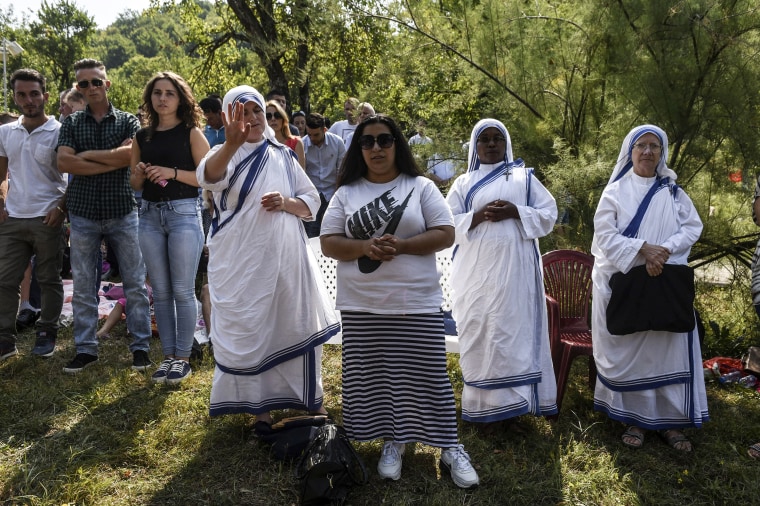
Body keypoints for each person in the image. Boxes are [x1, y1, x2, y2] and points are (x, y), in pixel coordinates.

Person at [320, 114, 479, 489]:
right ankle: (394, 439)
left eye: (385, 140)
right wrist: (364, 246)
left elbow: (446, 233)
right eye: (368, 142)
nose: (376, 148)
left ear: (397, 145)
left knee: (429, 377)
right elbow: (328, 241)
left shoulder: (421, 186)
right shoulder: (347, 192)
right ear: (358, 148)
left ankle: (449, 445)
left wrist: (403, 246)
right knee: (376, 376)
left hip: (416, 302)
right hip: (363, 304)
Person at [196, 85, 339, 425]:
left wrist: (286, 203)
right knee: (254, 328)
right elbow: (208, 177)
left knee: (294, 322)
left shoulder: (283, 154)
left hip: (287, 258)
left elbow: (312, 200)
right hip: (241, 262)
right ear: (231, 117)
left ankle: (310, 399)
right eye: (242, 113)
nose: (253, 119)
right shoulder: (223, 153)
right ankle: (261, 408)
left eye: (257, 110)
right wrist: (231, 143)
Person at [591, 124, 707, 452]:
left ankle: (670, 423)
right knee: (635, 351)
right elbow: (605, 235)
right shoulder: (614, 192)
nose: (647, 151)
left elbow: (692, 226)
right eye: (640, 145)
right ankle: (635, 420)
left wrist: (664, 251)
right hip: (629, 286)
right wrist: (644, 249)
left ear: (662, 152)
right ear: (630, 152)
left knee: (666, 352)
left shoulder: (672, 191)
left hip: (664, 281)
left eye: (654, 146)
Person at [445, 118, 558, 429]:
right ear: (475, 146)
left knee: (512, 333)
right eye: (485, 139)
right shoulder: (463, 184)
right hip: (476, 276)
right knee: (481, 332)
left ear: (506, 144)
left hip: (516, 275)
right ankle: (482, 406)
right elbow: (444, 224)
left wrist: (515, 212)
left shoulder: (524, 178)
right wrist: (478, 216)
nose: (492, 144)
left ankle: (516, 406)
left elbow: (549, 215)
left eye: (498, 138)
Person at [56, 58, 152, 373]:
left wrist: (85, 157)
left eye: (96, 81)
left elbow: (131, 156)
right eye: (83, 84)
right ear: (78, 88)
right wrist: (115, 158)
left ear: (106, 83)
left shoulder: (128, 122)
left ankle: (140, 347)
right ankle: (86, 349)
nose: (90, 88)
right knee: (83, 284)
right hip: (83, 214)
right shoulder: (71, 123)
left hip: (121, 211)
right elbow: (65, 164)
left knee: (135, 283)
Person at [130, 71, 209, 384]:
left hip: (184, 214)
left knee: (182, 289)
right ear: (150, 97)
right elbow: (134, 183)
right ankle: (167, 358)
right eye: (157, 92)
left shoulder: (190, 132)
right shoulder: (142, 136)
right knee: (160, 292)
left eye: (169, 93)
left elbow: (207, 177)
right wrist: (138, 172)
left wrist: (171, 172)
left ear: (180, 98)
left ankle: (183, 358)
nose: (162, 98)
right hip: (148, 215)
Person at [0, 68, 67, 361]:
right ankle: (4, 339)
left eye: (34, 94)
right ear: (14, 98)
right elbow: (1, 175)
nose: (28, 100)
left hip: (47, 216)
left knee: (49, 278)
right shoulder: (4, 132)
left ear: (45, 96)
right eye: (21, 94)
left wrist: (61, 208)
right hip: (13, 217)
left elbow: (73, 177)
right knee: (5, 280)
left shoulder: (61, 130)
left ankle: (47, 332)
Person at [302, 113, 346, 237]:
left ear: (324, 130)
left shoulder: (337, 142)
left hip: (333, 192)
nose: (312, 138)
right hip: (312, 194)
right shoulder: (303, 144)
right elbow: (301, 173)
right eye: (309, 134)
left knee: (333, 232)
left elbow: (341, 171)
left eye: (316, 135)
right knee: (311, 234)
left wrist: (337, 196)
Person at [266, 100, 305, 168]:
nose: (273, 119)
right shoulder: (261, 144)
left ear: (283, 119)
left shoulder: (296, 142)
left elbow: (301, 174)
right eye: (268, 116)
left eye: (277, 115)